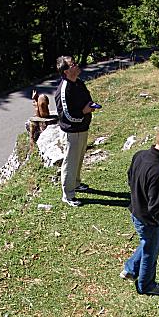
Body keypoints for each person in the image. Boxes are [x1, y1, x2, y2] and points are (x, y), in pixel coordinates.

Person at [121, 126, 159, 295]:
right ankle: (146, 286)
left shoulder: (139, 155)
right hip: (148, 219)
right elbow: (156, 208)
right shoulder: (158, 172)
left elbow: (129, 176)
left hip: (135, 211)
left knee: (147, 243)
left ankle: (130, 269)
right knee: (151, 251)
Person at [55, 55, 98, 207]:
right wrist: (83, 113)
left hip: (83, 128)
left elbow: (87, 98)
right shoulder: (64, 89)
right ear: (66, 71)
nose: (77, 65)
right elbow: (66, 115)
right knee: (70, 162)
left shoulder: (79, 82)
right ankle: (68, 194)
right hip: (72, 132)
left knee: (79, 159)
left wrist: (91, 106)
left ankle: (76, 183)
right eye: (73, 64)